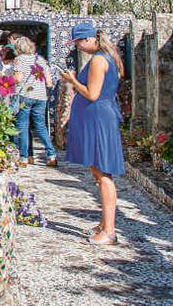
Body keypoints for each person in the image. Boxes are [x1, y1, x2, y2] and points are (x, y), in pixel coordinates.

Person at [60, 23, 125, 245]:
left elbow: (92, 93)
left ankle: (109, 232)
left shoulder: (98, 60)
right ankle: (105, 224)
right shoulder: (108, 56)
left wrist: (72, 81)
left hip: (98, 119)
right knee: (99, 174)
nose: (77, 46)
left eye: (78, 42)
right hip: (98, 118)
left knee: (103, 175)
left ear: (89, 39)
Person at [8, 36, 56, 166]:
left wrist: (6, 78)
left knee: (22, 126)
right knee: (41, 126)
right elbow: (49, 81)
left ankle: (24, 158)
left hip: (25, 95)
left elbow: (18, 78)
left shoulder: (19, 60)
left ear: (18, 48)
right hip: (40, 97)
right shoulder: (40, 60)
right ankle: (52, 155)